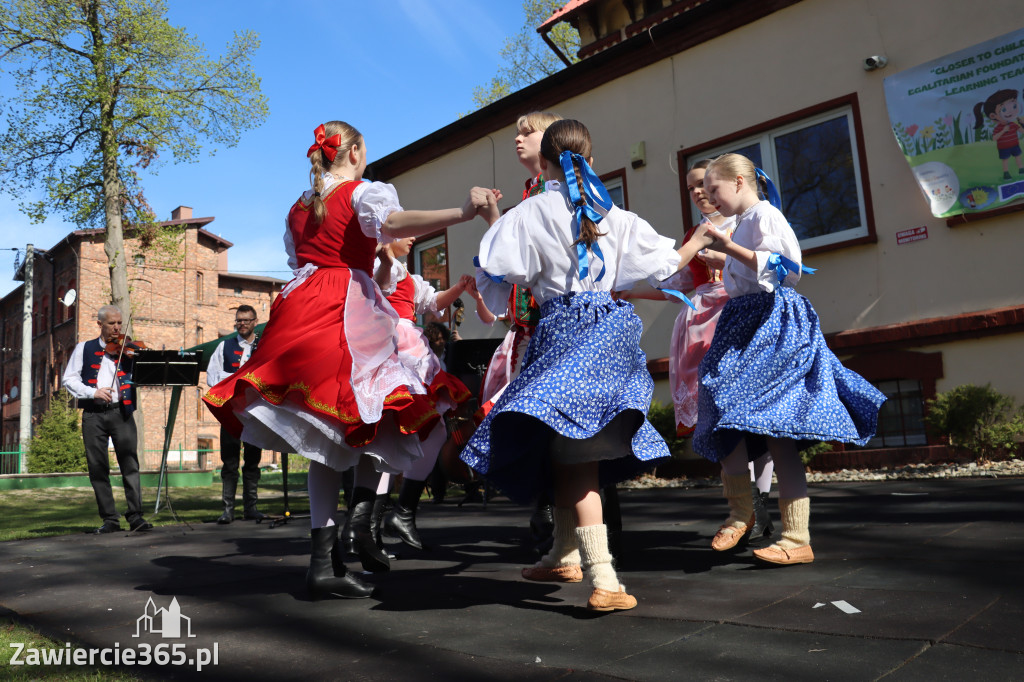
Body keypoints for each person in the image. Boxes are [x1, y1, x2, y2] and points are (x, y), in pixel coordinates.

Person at [203, 121, 494, 599]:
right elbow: (394, 224)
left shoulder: (300, 206)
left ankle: (327, 557)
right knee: (375, 413)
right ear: (355, 151)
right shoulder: (361, 192)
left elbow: (304, 260)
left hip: (304, 305)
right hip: (346, 307)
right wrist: (461, 213)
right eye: (365, 151)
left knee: (332, 438)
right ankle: (357, 524)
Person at [463, 119, 701, 612]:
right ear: (590, 161)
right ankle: (562, 552)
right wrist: (697, 242)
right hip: (610, 338)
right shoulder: (612, 212)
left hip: (565, 335)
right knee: (562, 448)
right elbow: (664, 265)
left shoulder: (533, 210)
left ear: (544, 163)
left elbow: (496, 266)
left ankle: (605, 577)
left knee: (575, 459)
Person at [689, 153, 886, 565]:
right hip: (741, 320)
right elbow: (751, 267)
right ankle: (741, 511)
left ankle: (797, 538)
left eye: (714, 189)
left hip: (771, 322)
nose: (710, 198)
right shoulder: (743, 222)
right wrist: (725, 258)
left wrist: (728, 247)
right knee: (718, 402)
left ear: (739, 182)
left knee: (779, 427)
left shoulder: (766, 215)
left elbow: (786, 269)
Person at [667, 159, 775, 549]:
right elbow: (677, 281)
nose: (699, 192)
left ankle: (759, 503)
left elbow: (769, 269)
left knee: (752, 415)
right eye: (693, 188)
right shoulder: (694, 233)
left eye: (705, 184)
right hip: (701, 327)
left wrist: (725, 258)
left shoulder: (746, 221)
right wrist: (630, 289)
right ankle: (746, 507)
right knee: (720, 419)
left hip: (737, 317)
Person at [475, 111, 562, 554]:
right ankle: (552, 514)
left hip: (564, 321)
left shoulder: (561, 188)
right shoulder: (531, 191)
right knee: (542, 421)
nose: (518, 139)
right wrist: (494, 216)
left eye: (528, 132)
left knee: (566, 424)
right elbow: (516, 258)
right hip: (536, 325)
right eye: (517, 132)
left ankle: (578, 523)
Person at [370, 241, 481, 550]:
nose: (413, 238)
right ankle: (372, 527)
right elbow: (375, 291)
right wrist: (384, 262)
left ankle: (401, 513)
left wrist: (458, 288)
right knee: (386, 438)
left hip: (412, 353)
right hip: (389, 347)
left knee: (434, 430)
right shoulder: (375, 263)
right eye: (406, 231)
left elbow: (432, 302)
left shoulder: (407, 274)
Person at [62, 305, 152, 534]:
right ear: (99, 324)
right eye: (112, 323)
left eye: (120, 323)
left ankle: (136, 516)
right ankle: (110, 519)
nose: (117, 328)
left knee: (130, 464)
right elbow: (69, 379)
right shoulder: (84, 348)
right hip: (93, 415)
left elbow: (145, 374)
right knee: (97, 467)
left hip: (122, 412)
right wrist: (93, 392)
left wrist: (143, 359)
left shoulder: (128, 349)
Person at [205, 304, 265, 524]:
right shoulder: (225, 346)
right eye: (239, 320)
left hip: (255, 413)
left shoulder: (263, 346)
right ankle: (228, 509)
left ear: (255, 322)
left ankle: (251, 508)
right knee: (229, 462)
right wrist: (234, 379)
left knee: (252, 462)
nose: (242, 324)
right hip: (231, 412)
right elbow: (211, 377)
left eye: (247, 320)